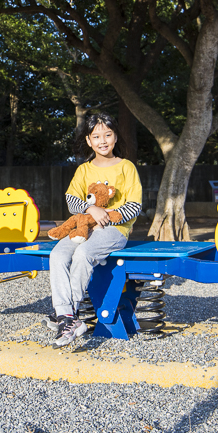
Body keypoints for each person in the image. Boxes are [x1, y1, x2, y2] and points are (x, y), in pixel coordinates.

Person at [46, 113, 143, 348]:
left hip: (115, 230)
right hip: (84, 226)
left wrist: (106, 217)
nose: (103, 140)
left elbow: (135, 205)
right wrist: (91, 209)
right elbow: (71, 199)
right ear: (89, 141)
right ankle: (66, 315)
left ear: (115, 137)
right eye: (96, 136)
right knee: (57, 255)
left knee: (82, 254)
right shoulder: (83, 170)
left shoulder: (126, 167)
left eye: (108, 135)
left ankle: (70, 313)